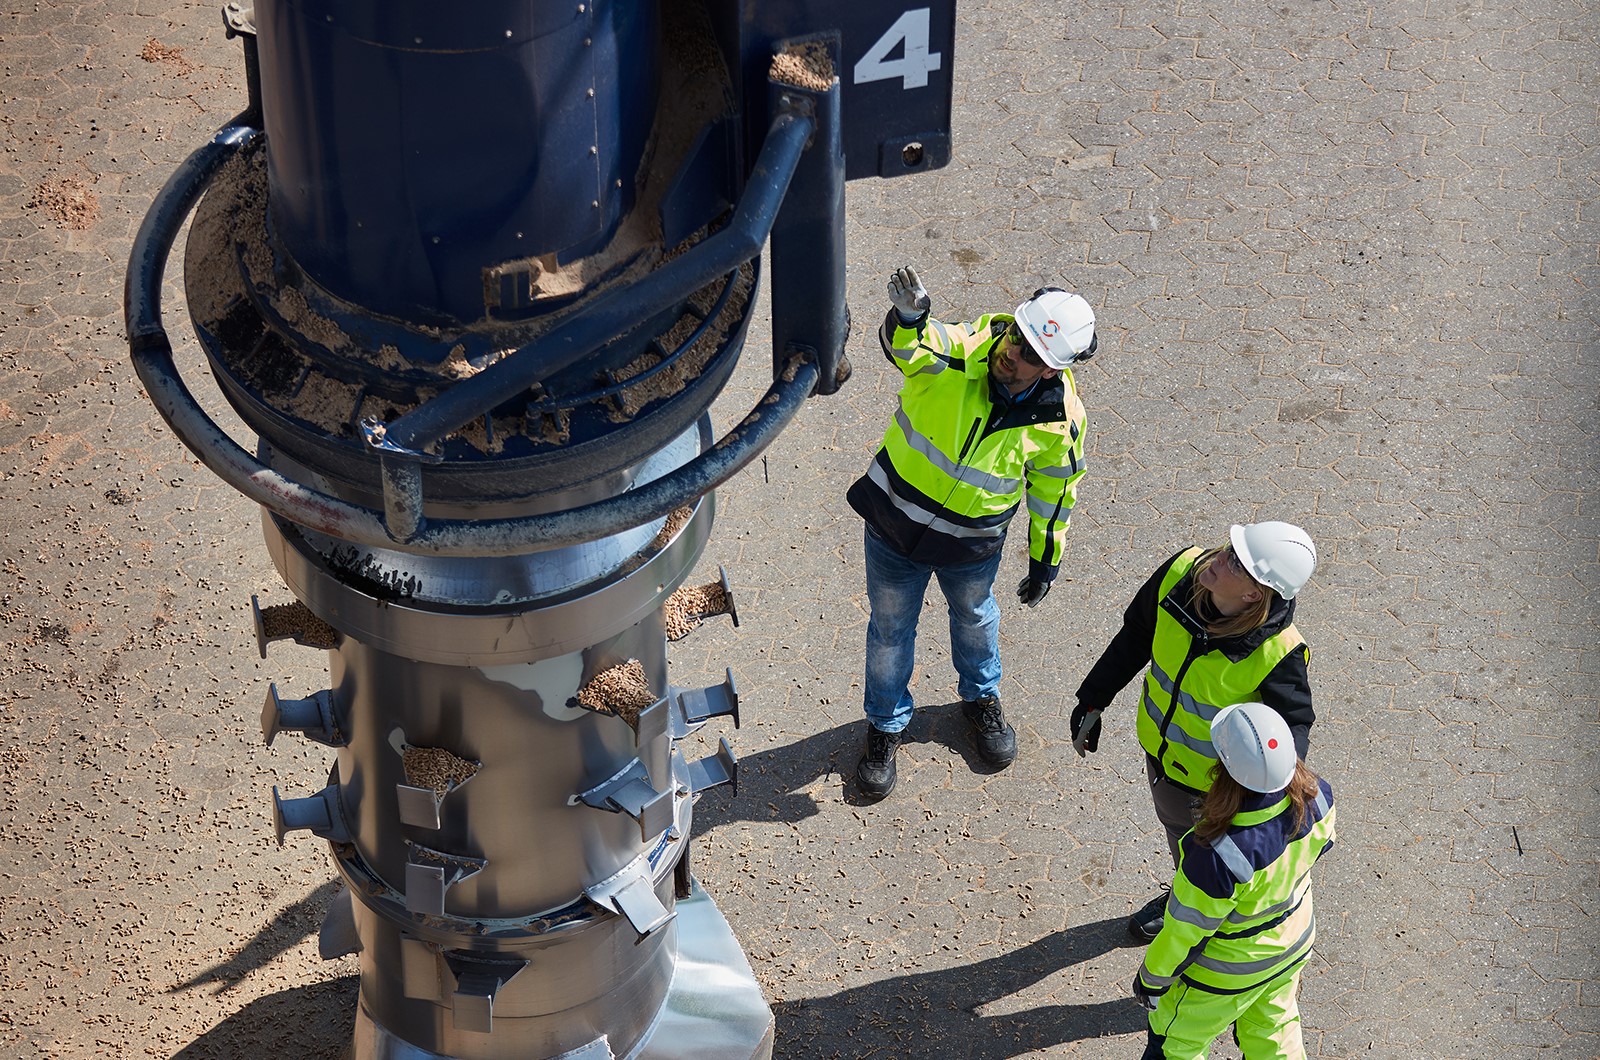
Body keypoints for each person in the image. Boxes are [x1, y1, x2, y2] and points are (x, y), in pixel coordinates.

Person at [848, 265, 1094, 799]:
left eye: (1030, 354)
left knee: (975, 619)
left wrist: (1044, 560)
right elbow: (912, 347)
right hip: (895, 527)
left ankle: (981, 700)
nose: (1012, 352)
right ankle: (885, 724)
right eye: (1016, 336)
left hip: (971, 547)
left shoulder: (1060, 421)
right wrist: (910, 317)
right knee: (890, 630)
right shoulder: (965, 350)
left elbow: (1055, 492)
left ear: (1051, 372)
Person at [1070, 520, 1318, 939]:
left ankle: (1213, 925)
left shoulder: (1280, 652)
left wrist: (1265, 800)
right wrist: (1094, 697)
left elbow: (1294, 724)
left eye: (1235, 562)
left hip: (1218, 787)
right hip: (1162, 758)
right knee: (1183, 845)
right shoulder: (1180, 573)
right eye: (1228, 547)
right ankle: (1186, 897)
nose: (1219, 558)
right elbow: (1136, 635)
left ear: (1253, 593)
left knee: (1215, 858)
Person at [1132, 702, 1337, 1059]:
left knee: (1178, 1045)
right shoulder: (1318, 797)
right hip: (1291, 946)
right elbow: (1321, 848)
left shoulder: (1215, 856)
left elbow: (1185, 932)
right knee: (1274, 1033)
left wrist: (1152, 980)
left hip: (1224, 975)